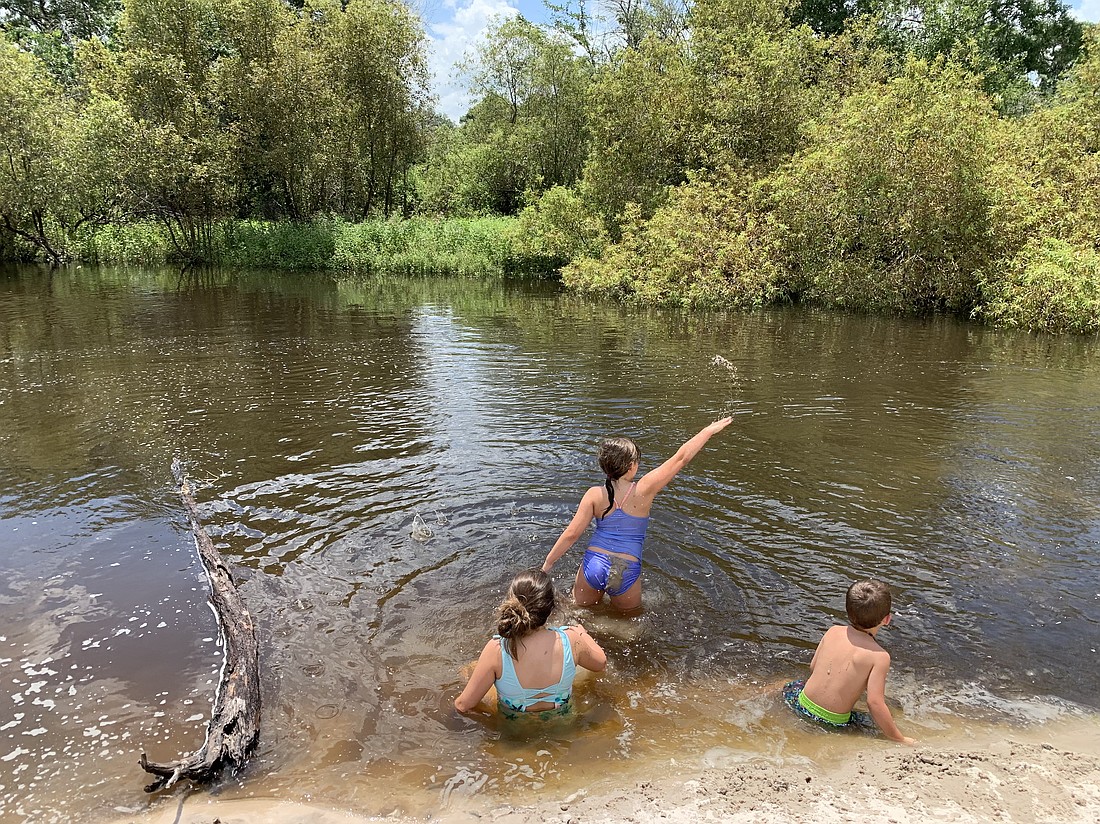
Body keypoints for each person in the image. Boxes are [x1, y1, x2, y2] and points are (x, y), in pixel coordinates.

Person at [541, 417, 734, 612]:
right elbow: (681, 458)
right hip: (626, 567)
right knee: (629, 626)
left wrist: (547, 565)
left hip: (595, 564)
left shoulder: (594, 494)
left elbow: (572, 534)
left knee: (578, 614)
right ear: (632, 465)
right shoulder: (644, 489)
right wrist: (707, 431)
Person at [454, 568, 607, 718]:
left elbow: (463, 705)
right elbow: (600, 664)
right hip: (561, 725)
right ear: (551, 607)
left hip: (515, 733)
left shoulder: (497, 649)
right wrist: (582, 633)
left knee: (467, 669)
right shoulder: (571, 640)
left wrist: (491, 718)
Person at [783, 579, 916, 744]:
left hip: (799, 703)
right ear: (887, 619)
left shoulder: (833, 631)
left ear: (848, 611)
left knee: (790, 684)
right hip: (831, 722)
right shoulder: (879, 656)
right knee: (877, 719)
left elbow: (813, 667)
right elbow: (875, 703)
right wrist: (899, 738)